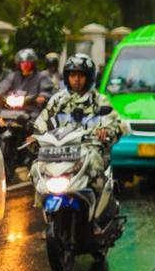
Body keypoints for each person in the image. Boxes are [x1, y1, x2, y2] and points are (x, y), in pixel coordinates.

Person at [32, 53, 123, 196]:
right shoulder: (58, 100)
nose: (76, 79)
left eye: (81, 75)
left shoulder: (99, 100)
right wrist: (34, 136)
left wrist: (105, 131)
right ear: (67, 77)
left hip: (90, 149)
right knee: (36, 168)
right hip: (60, 151)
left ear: (89, 77)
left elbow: (116, 124)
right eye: (73, 75)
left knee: (96, 165)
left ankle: (98, 204)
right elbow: (41, 122)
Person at [0, 48, 55, 115]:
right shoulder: (13, 76)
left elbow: (46, 93)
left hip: (32, 111)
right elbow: (4, 85)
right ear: (18, 64)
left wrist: (42, 97)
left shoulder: (42, 77)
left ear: (33, 63)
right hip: (11, 110)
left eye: (28, 63)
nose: (25, 65)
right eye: (22, 63)